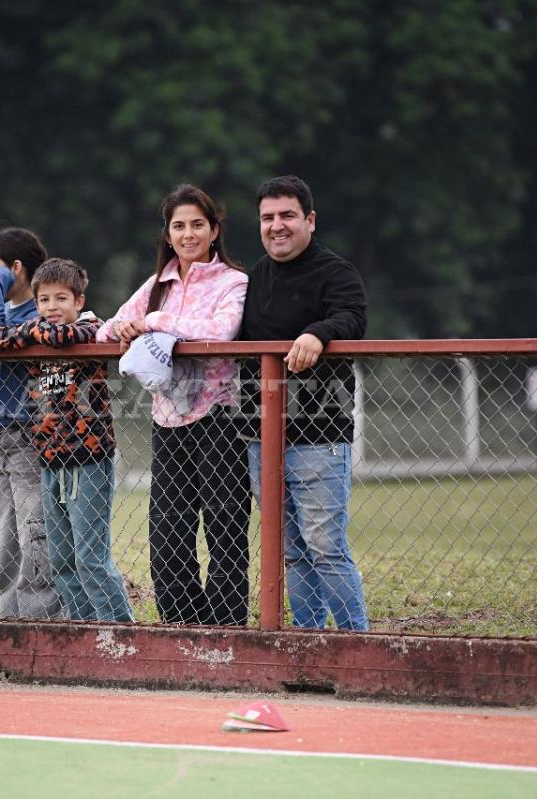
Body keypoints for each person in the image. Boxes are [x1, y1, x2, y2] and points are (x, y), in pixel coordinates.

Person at [98, 185, 251, 626]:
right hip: (167, 420)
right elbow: (110, 329)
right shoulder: (156, 286)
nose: (188, 234)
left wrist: (153, 322)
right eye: (178, 226)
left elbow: (221, 331)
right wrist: (124, 328)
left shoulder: (233, 282)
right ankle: (183, 627)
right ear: (167, 234)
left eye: (197, 225)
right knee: (168, 532)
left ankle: (225, 632)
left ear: (214, 229)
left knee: (225, 528)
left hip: (219, 417)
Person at [238, 175, 370, 631]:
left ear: (310, 220)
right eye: (267, 217)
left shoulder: (336, 272)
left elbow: (352, 317)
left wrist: (318, 333)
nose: (277, 225)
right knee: (291, 550)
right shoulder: (254, 276)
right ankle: (307, 640)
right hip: (259, 434)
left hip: (319, 437)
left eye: (287, 215)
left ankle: (356, 642)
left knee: (325, 546)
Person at [0, 258, 134, 622]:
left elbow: (64, 336)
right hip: (49, 459)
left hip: (89, 458)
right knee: (61, 561)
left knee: (89, 556)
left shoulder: (91, 328)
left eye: (61, 299)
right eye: (43, 300)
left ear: (78, 301)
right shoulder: (38, 329)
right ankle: (84, 629)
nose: (51, 308)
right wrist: (30, 331)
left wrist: (31, 331)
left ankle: (120, 632)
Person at [0, 227, 63, 619]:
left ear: (16, 269)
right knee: (4, 539)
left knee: (34, 532)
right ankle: (12, 617)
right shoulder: (5, 317)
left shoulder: (35, 317)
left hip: (27, 437)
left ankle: (43, 619)